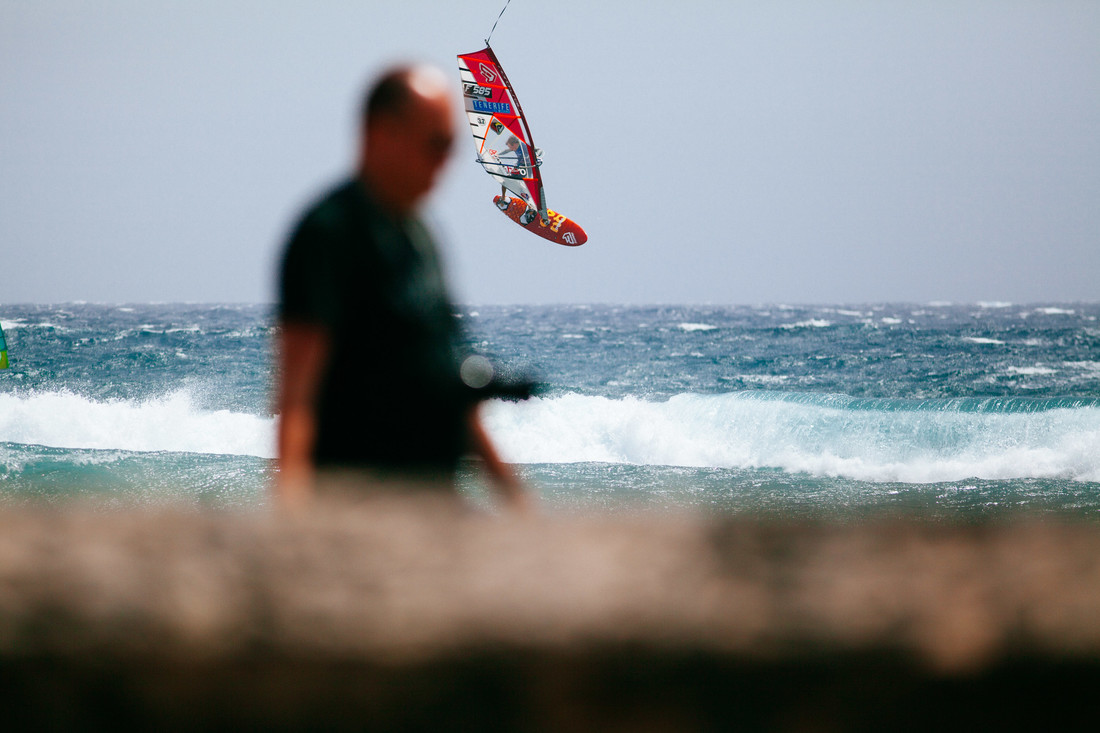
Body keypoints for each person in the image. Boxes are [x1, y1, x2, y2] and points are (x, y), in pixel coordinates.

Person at [275, 64, 527, 510]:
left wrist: (512, 494)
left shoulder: (422, 237)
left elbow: (449, 379)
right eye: (436, 144)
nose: (446, 162)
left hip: (436, 498)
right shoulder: (328, 233)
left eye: (451, 147)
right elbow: (297, 396)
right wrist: (292, 513)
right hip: (360, 499)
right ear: (381, 133)